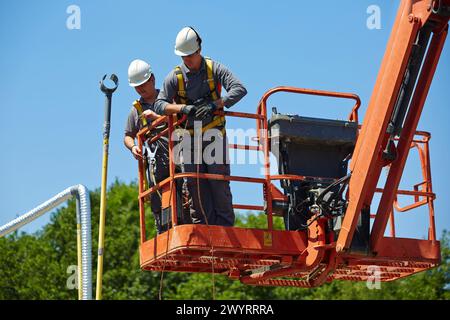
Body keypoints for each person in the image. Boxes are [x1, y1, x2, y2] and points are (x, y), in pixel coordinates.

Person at [154, 26, 247, 227]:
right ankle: (203, 232)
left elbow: (240, 89)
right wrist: (184, 108)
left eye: (190, 55)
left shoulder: (215, 69)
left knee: (218, 183)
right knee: (195, 187)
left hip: (214, 136)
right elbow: (159, 104)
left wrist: (214, 104)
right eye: (183, 56)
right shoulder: (175, 77)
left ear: (199, 50)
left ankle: (225, 232)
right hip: (188, 140)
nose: (187, 60)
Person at [124, 59, 189, 234]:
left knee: (185, 193)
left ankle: (188, 228)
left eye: (143, 84)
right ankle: (165, 232)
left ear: (152, 79)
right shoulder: (136, 111)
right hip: (156, 164)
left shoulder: (168, 99)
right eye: (137, 87)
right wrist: (133, 148)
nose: (140, 89)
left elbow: (184, 119)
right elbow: (128, 136)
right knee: (160, 201)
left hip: (178, 156)